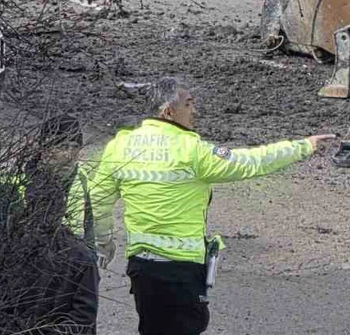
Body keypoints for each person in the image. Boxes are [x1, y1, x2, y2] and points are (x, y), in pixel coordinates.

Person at [86, 76, 336, 335]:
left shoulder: (120, 146)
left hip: (142, 267)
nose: (195, 111)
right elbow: (249, 162)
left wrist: (104, 244)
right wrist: (302, 147)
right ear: (168, 111)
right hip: (182, 269)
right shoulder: (191, 149)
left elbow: (97, 201)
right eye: (189, 104)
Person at [0, 114, 99, 335]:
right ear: (43, 149)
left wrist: (88, 271)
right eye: (61, 146)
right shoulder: (16, 187)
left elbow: (88, 230)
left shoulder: (80, 180)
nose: (68, 155)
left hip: (69, 288)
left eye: (74, 146)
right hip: (22, 292)